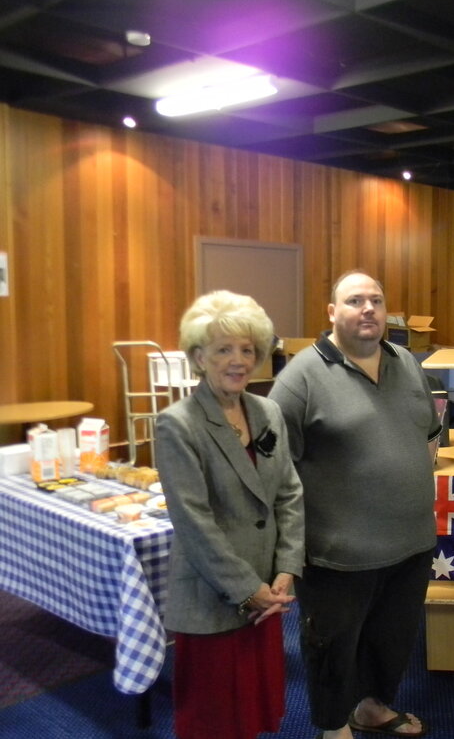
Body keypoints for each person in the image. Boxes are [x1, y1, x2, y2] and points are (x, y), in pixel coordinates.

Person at [269, 271, 440, 739]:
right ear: (332, 312)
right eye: (354, 300)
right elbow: (275, 468)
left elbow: (428, 434)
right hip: (337, 554)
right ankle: (332, 726)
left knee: (391, 639)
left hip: (410, 543)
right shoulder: (300, 378)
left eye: (376, 301)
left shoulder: (406, 362)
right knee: (332, 647)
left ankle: (371, 708)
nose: (368, 309)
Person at [155, 290, 305, 739]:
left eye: (247, 350)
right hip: (214, 597)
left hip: (267, 594)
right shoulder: (178, 423)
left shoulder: (268, 411)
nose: (238, 361)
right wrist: (247, 590)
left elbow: (289, 493)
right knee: (213, 718)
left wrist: (287, 569)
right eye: (223, 350)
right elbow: (193, 522)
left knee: (252, 711)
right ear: (199, 357)